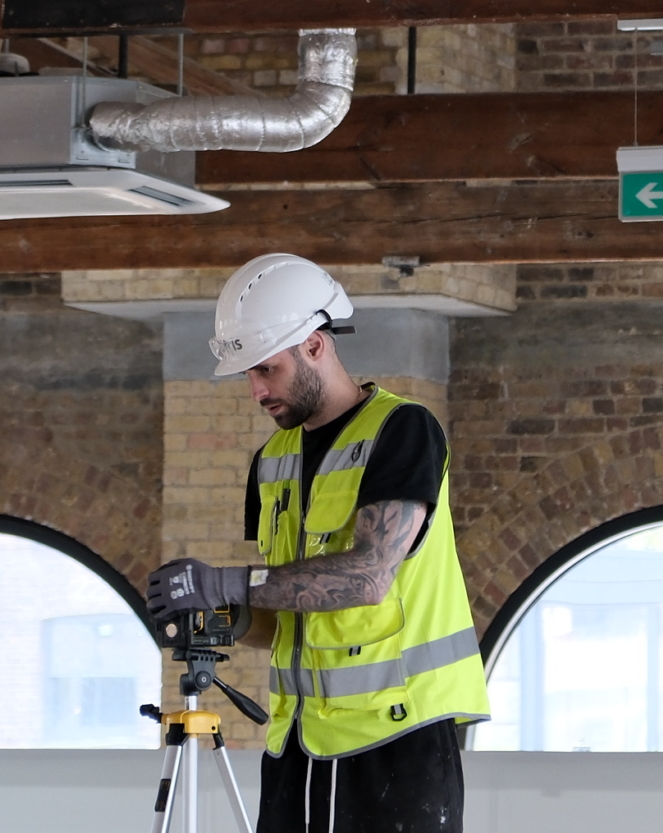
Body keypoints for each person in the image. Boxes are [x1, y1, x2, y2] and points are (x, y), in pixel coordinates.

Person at [147, 253, 487, 833]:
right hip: (299, 743)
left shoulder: (402, 430)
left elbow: (368, 577)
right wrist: (218, 616)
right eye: (249, 375)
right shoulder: (271, 462)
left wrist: (227, 581)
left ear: (314, 345)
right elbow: (288, 614)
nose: (256, 391)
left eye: (266, 370)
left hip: (395, 738)